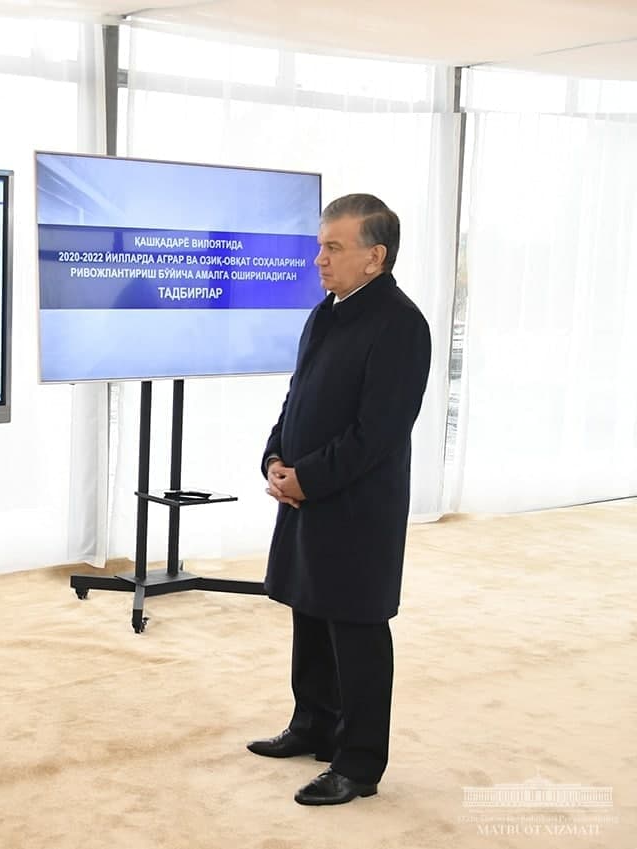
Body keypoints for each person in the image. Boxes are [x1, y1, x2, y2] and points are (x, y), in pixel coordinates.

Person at [248, 194, 431, 806]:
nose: (319, 259)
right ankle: (314, 725)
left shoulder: (401, 324)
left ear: (374, 257)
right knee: (309, 609)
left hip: (357, 505)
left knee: (356, 628)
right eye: (319, 245)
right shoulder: (325, 312)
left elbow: (378, 433)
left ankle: (359, 764)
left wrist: (308, 479)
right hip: (307, 493)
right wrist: (275, 459)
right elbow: (297, 396)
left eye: (334, 247)